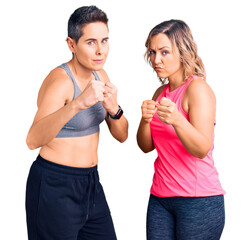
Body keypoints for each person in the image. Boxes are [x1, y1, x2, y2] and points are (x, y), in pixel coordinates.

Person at [25, 6, 128, 240]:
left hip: (91, 184)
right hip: (55, 184)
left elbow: (122, 136)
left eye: (104, 41)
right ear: (72, 45)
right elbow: (32, 140)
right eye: (91, 42)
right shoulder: (60, 81)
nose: (100, 50)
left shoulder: (101, 75)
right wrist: (78, 103)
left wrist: (114, 110)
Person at [137, 20, 225, 240]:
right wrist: (145, 120)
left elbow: (202, 148)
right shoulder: (160, 91)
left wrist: (178, 120)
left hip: (198, 200)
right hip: (160, 198)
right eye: (153, 52)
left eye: (165, 52)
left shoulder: (198, 89)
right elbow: (146, 146)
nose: (156, 60)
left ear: (183, 50)